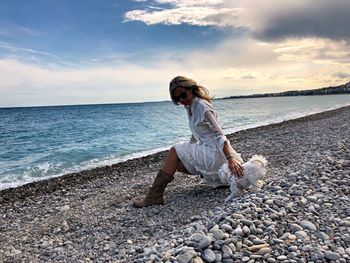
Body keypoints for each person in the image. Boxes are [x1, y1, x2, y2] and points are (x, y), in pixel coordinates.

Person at [133, 76, 244, 208]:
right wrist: (189, 149)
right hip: (208, 150)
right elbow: (196, 133)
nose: (181, 100)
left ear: (191, 89)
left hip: (215, 151)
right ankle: (220, 180)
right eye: (177, 98)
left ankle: (154, 196)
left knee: (174, 150)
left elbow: (219, 134)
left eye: (183, 95)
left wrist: (230, 158)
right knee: (177, 162)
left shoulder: (202, 106)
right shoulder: (191, 107)